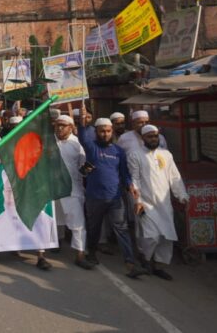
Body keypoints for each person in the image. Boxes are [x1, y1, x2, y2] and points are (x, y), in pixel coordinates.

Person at [77, 111, 147, 279]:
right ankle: (92, 254)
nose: (105, 133)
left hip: (115, 198)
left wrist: (130, 185)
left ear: (112, 131)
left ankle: (130, 264)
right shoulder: (91, 147)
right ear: (96, 131)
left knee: (122, 230)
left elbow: (124, 173)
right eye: (102, 130)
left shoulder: (118, 151)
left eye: (108, 131)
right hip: (95, 198)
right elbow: (82, 134)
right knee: (94, 229)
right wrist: (82, 120)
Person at [128, 125, 188, 281]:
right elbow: (134, 179)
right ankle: (145, 261)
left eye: (155, 136)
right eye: (150, 136)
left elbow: (175, 177)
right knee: (151, 236)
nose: (153, 139)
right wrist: (138, 200)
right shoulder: (135, 155)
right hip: (146, 203)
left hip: (164, 203)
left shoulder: (166, 154)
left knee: (166, 237)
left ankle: (159, 267)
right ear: (143, 138)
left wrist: (181, 195)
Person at [53, 115, 93, 270]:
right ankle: (55, 243)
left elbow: (84, 169)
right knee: (54, 219)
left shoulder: (77, 145)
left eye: (63, 125)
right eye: (57, 125)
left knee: (77, 224)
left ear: (71, 127)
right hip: (53, 189)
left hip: (72, 190)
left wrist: (88, 169)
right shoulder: (49, 142)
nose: (59, 128)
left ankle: (80, 255)